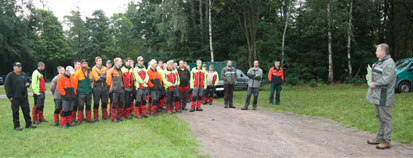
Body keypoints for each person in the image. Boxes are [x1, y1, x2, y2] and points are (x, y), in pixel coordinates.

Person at [366, 43, 396, 150]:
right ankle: (379, 137)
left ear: (383, 52)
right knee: (380, 117)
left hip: (384, 95)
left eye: (377, 50)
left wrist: (375, 83)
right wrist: (370, 76)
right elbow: (378, 74)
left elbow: (386, 79)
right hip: (377, 95)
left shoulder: (389, 63)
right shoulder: (380, 62)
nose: (376, 52)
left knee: (386, 118)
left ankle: (387, 140)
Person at [5, 62, 37, 131]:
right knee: (15, 112)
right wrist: (10, 96)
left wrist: (28, 84)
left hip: (24, 97)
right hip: (15, 97)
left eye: (20, 66)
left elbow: (28, 82)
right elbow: (7, 87)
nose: (19, 67)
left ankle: (28, 124)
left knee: (26, 111)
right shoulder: (10, 76)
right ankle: (16, 126)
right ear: (14, 67)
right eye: (17, 66)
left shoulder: (24, 74)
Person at [73, 59, 94, 123]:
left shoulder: (90, 72)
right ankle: (80, 119)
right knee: (81, 106)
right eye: (84, 63)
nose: (85, 64)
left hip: (89, 92)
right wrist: (75, 92)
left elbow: (92, 81)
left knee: (88, 106)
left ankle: (88, 119)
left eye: (86, 63)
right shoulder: (77, 73)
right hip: (81, 92)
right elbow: (75, 84)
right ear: (81, 65)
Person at [107, 58, 125, 122]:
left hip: (121, 89)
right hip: (115, 90)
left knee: (121, 103)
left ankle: (119, 116)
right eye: (120, 61)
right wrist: (111, 89)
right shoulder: (111, 70)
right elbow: (108, 81)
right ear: (116, 62)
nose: (121, 62)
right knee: (114, 104)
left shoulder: (120, 70)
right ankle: (114, 118)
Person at [91, 56, 108, 121]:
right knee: (96, 103)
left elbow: (107, 76)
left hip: (104, 88)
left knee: (104, 102)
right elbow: (96, 78)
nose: (100, 61)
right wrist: (103, 77)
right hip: (96, 88)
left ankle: (105, 116)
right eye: (99, 60)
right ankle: (96, 117)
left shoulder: (105, 68)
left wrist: (101, 77)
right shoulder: (94, 68)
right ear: (96, 61)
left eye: (101, 60)